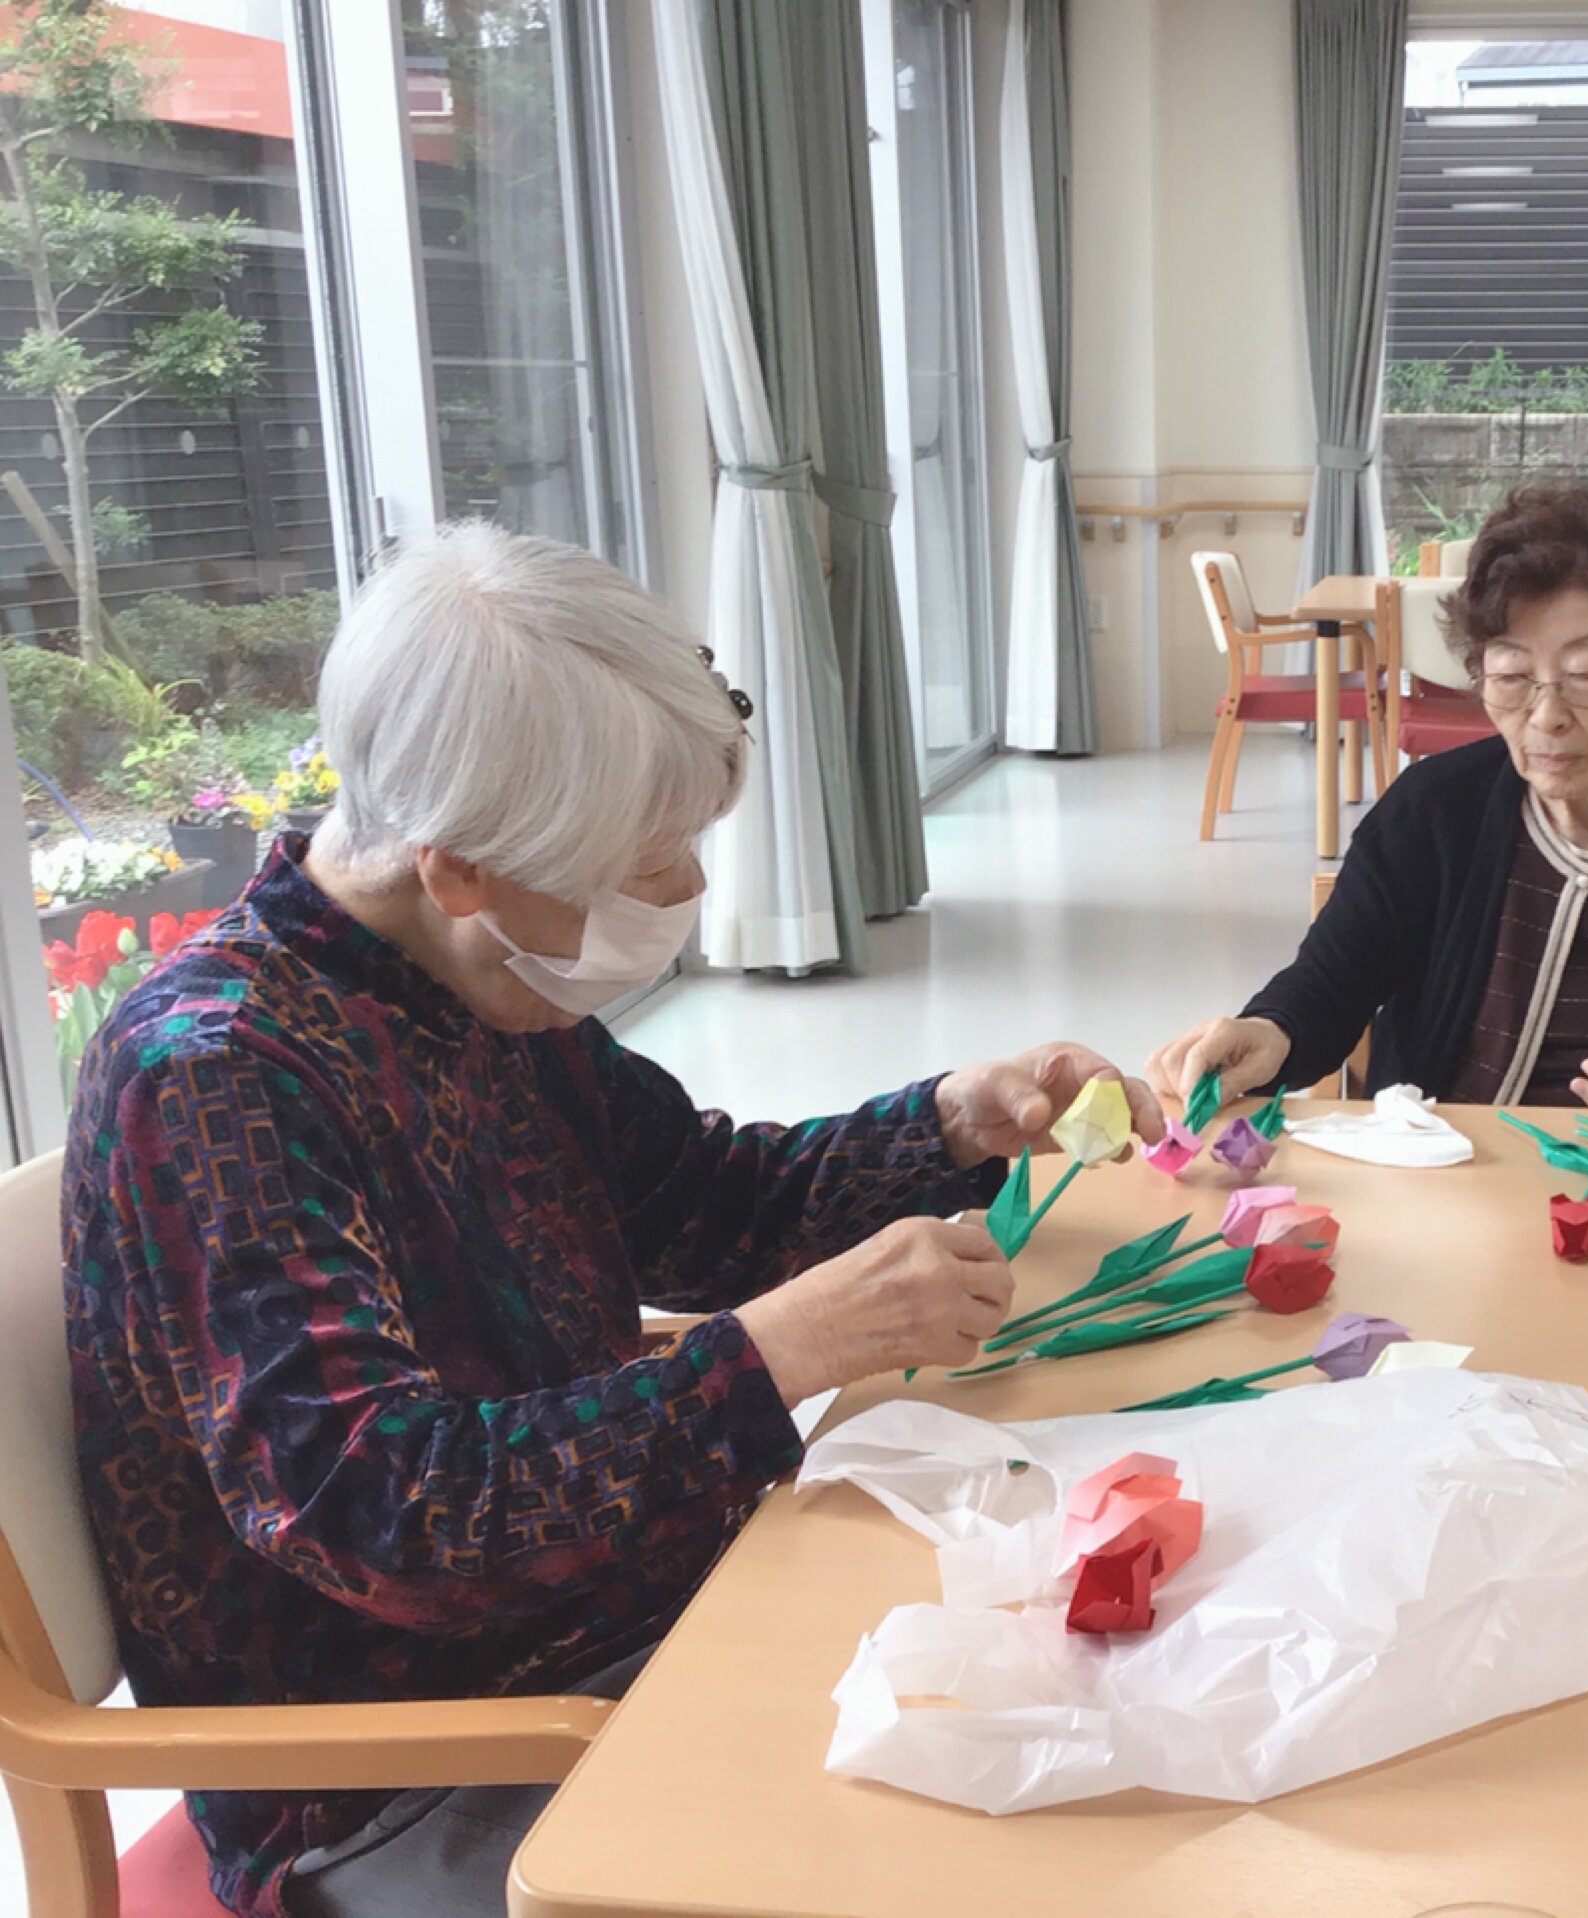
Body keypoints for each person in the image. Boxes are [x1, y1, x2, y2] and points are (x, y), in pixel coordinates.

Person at [62, 524, 1159, 1918]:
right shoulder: (217, 1075)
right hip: (407, 1764)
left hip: (623, 1625)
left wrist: (950, 1121)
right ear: (459, 865)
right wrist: (770, 1355)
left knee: (1098, 1713)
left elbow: (701, 1206)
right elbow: (380, 1513)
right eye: (646, 862)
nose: (688, 891)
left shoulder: (468, 981)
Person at [1149, 484, 1588, 1114]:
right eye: (1512, 675)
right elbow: (1326, 991)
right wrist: (1266, 1032)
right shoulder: (1431, 813)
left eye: (1586, 675)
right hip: (1459, 1180)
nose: (1545, 716)